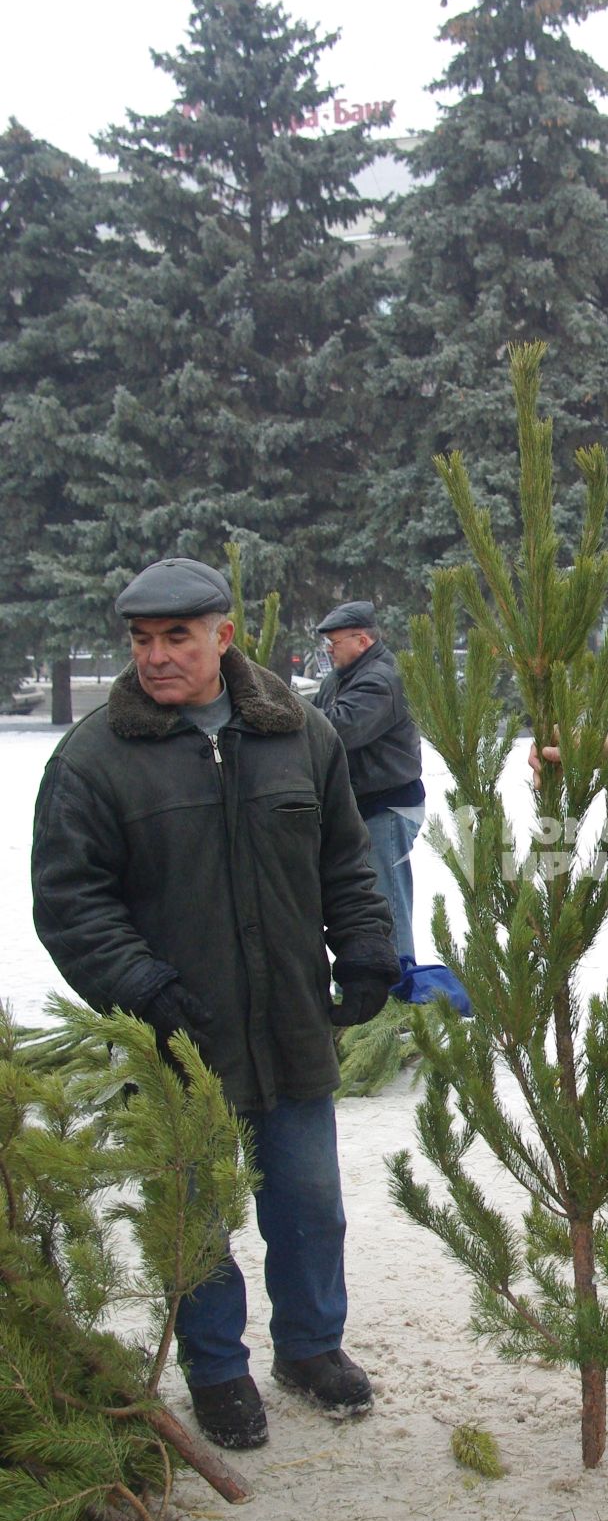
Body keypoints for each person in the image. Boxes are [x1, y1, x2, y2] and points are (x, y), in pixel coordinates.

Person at [31, 558, 402, 1450]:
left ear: (222, 637)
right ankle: (216, 1368)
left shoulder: (299, 733)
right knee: (195, 1210)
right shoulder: (94, 758)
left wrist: (362, 947)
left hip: (289, 1020)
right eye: (142, 640)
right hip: (179, 1035)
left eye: (177, 637)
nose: (157, 656)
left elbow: (346, 861)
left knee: (310, 1200)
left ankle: (311, 1348)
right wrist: (144, 986)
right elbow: (71, 901)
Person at [315, 600, 425, 962]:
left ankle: (398, 1001)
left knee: (387, 906)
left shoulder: (381, 678)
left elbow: (337, 729)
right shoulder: (342, 677)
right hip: (358, 808)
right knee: (362, 906)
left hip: (386, 808)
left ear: (361, 640)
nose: (329, 651)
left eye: (334, 643)